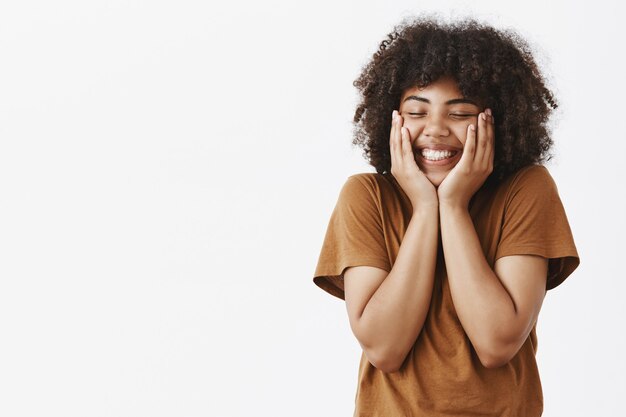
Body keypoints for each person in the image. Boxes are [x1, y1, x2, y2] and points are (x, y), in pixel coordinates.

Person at [312, 16, 580, 416]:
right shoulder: (366, 197)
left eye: (460, 113)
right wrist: (425, 207)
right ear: (392, 120)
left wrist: (452, 206)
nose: (435, 129)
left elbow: (497, 343)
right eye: (417, 112)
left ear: (497, 121)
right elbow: (384, 347)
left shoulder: (527, 191)